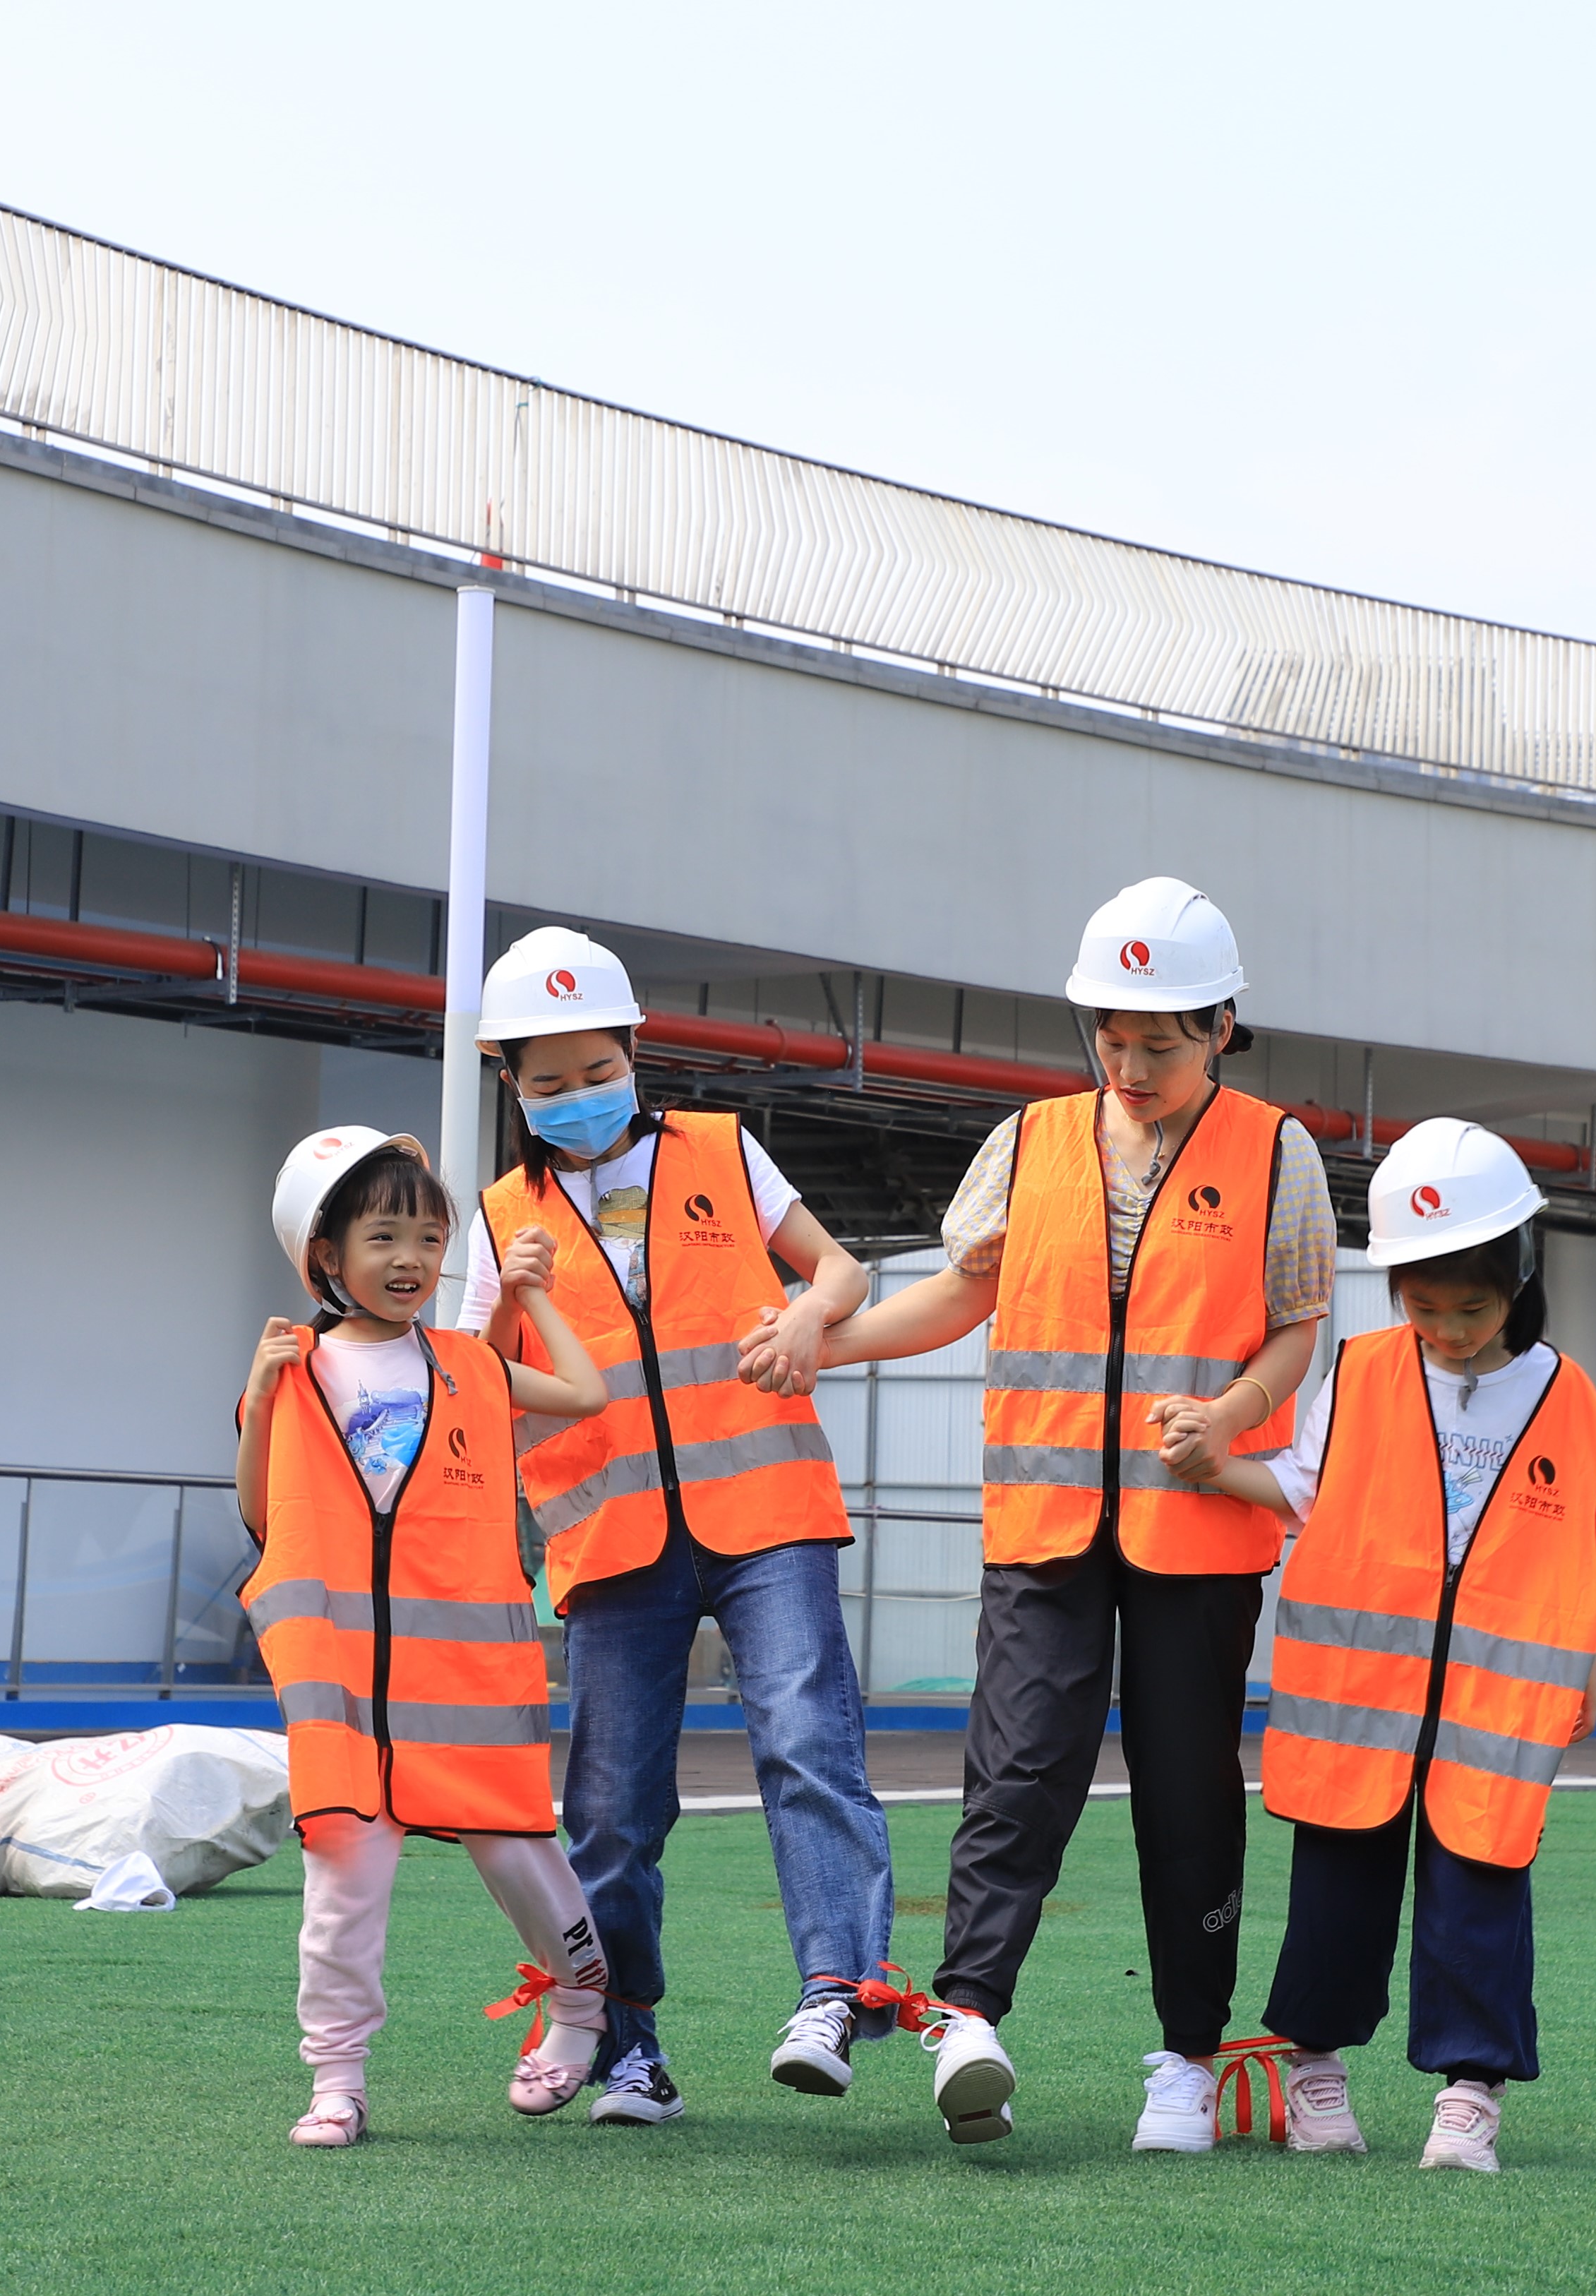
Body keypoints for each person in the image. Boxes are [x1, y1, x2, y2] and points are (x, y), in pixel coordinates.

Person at [800, 876, 1331, 2151]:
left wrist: (1233, 1414)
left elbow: (1298, 1325)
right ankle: (970, 2017)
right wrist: (829, 1345)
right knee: (1016, 1778)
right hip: (1043, 1530)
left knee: (1187, 1797)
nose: (1131, 1061)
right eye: (1111, 1034)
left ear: (1222, 1027)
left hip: (1195, 1535)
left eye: (1161, 1039)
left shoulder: (1277, 1151)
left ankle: (1188, 2061)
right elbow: (954, 1298)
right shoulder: (1029, 1143)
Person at [464, 926, 891, 2129]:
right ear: (512, 1084)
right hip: (611, 1547)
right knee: (609, 1809)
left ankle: (832, 1994)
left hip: (765, 1516)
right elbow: (479, 1390)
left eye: (596, 1071)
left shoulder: (720, 1148)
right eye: (547, 1083)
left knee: (811, 1746)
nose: (578, 1098)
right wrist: (523, 1295)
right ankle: (626, 2047)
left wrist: (809, 1321)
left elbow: (842, 1272)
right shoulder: (499, 1224)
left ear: (633, 1053)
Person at [1160, 1117, 1596, 2174]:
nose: (1448, 1329)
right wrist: (1216, 1460)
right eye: (1423, 1306)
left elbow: (1579, 1555)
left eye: (1472, 1306)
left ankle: (1470, 2096)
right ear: (1395, 1290)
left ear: (1520, 1279)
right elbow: (1305, 1494)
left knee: (1481, 1886)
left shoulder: (1574, 1404)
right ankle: (1315, 2073)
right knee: (1337, 1892)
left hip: (1493, 1711)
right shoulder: (1360, 1371)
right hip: (1359, 1697)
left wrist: (1588, 1662)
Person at [236, 1124, 616, 2151]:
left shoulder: (471, 1367)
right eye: (384, 1236)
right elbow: (266, 1518)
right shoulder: (297, 1370)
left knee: (524, 1862)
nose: (412, 1259)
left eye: (430, 1237)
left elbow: (586, 1394)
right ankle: (337, 2080)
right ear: (325, 1258)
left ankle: (583, 2007)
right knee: (342, 1891)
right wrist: (264, 1399)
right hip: (344, 1701)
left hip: (466, 1688)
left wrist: (529, 1299)